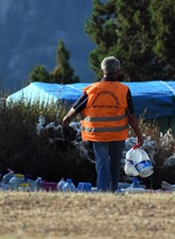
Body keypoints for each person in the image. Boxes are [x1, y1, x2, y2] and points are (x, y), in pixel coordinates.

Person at [62, 56, 145, 192]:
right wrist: (139, 136)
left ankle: (103, 192)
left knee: (102, 164)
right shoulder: (124, 90)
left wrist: (65, 121)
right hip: (118, 135)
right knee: (114, 165)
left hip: (98, 135)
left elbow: (75, 109)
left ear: (102, 71)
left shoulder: (92, 90)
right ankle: (111, 192)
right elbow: (131, 116)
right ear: (118, 72)